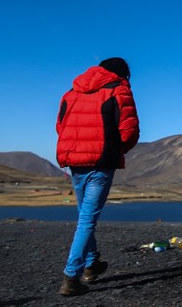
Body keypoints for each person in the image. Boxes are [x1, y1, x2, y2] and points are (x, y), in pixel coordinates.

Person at [55, 57, 140, 297]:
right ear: (122, 74)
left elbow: (60, 126)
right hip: (100, 163)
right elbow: (129, 130)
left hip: (74, 161)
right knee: (87, 221)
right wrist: (114, 150)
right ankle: (72, 277)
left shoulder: (71, 92)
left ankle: (91, 265)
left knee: (84, 216)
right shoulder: (119, 90)